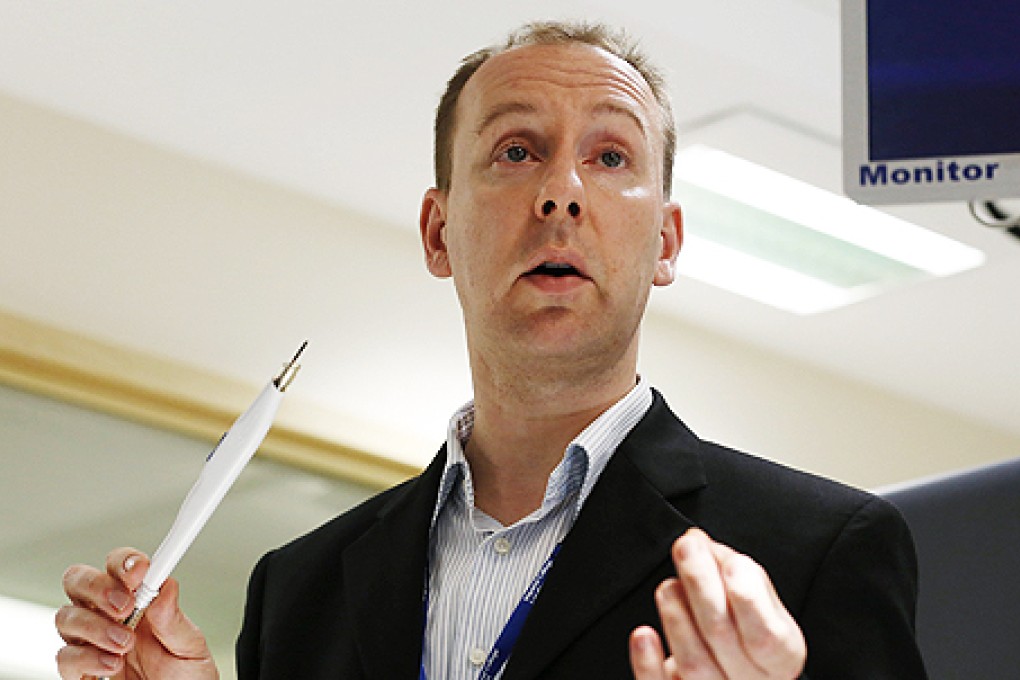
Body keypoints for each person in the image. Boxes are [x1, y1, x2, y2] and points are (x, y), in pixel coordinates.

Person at [55, 20, 928, 680]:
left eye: (610, 154)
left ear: (666, 243)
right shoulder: (300, 590)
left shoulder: (815, 552)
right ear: (439, 232)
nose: (560, 192)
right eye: (516, 150)